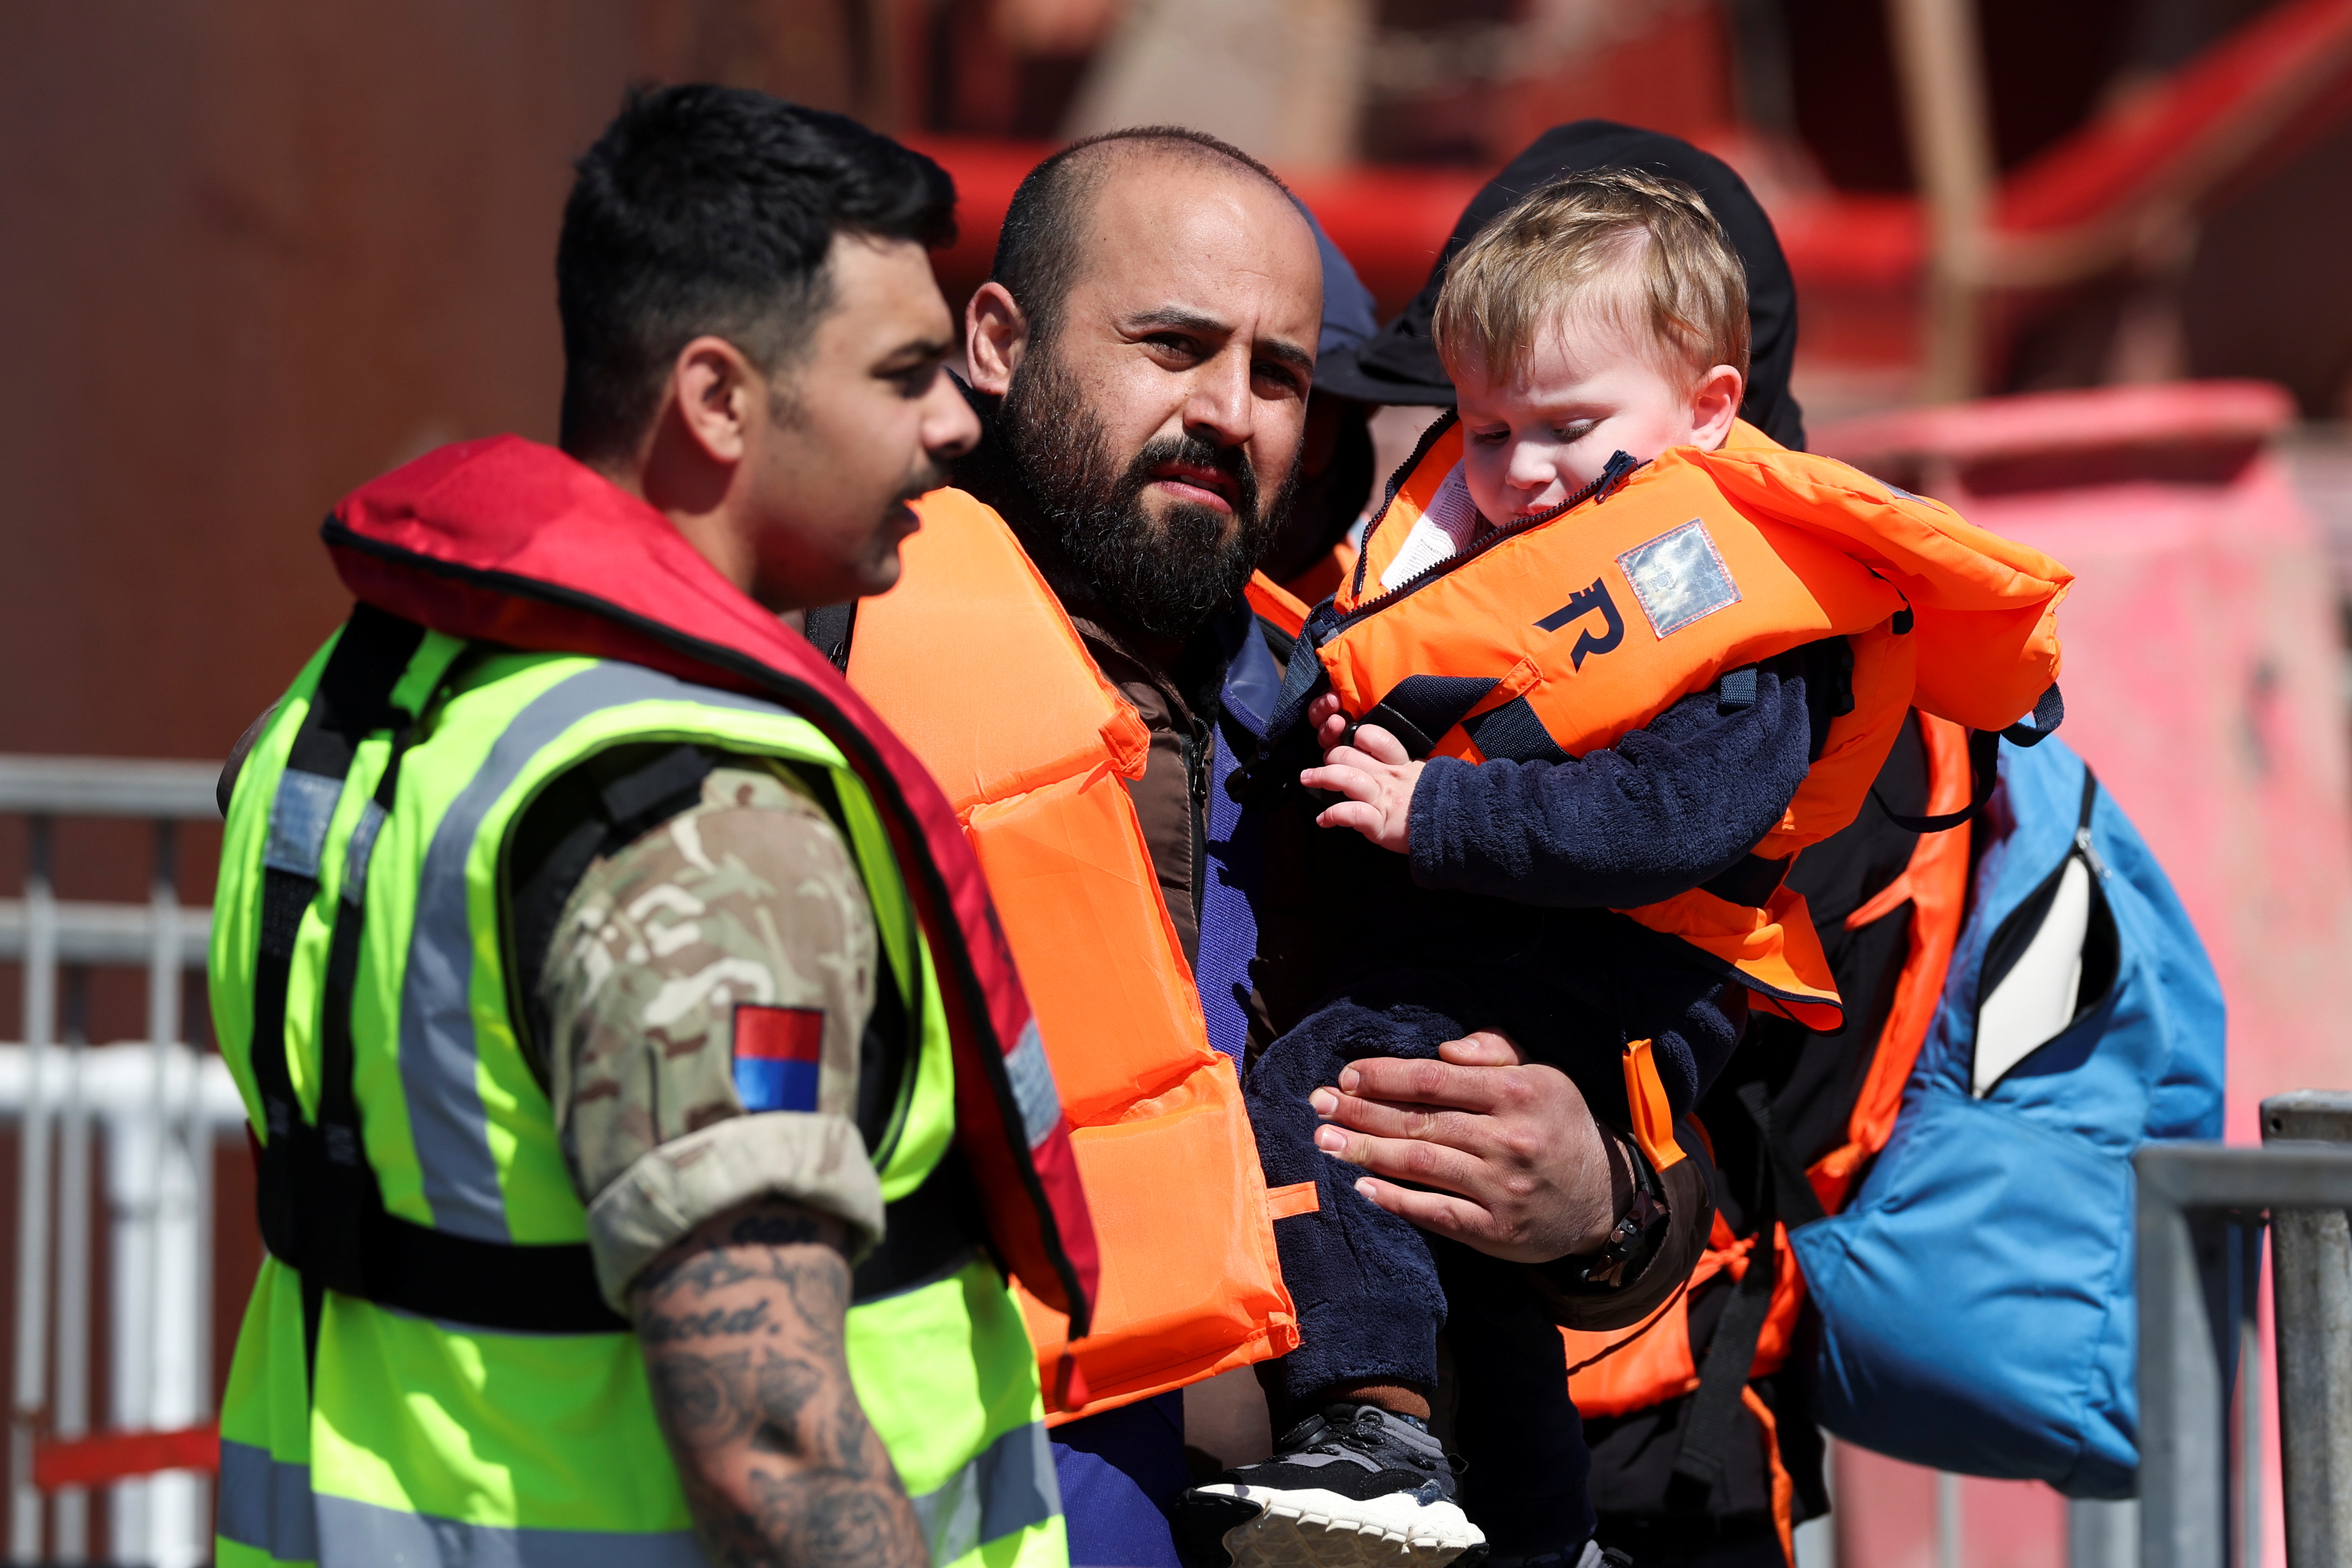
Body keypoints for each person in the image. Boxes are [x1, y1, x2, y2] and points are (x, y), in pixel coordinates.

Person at [208, 86, 1097, 1568]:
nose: (959, 421)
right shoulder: (701, 826)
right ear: (718, 400)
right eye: (905, 373)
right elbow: (771, 1444)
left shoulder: (357, 708)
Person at [828, 125, 1712, 1568]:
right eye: (1170, 345)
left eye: (1278, 374)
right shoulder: (817, 662)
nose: (1228, 411)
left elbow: (1659, 1141)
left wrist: (1600, 1199)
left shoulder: (1385, 726)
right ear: (997, 339)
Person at [1180, 168, 2067, 1568]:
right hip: (1536, 1026)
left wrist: (1439, 816)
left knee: (1322, 1092)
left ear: (1713, 409)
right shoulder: (1484, 574)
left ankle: (1371, 1435)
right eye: (1485, 432)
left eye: (1569, 429)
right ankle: (1528, 1527)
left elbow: (1675, 818)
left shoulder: (1734, 599)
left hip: (1634, 1074)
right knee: (1471, 1264)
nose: (1523, 472)